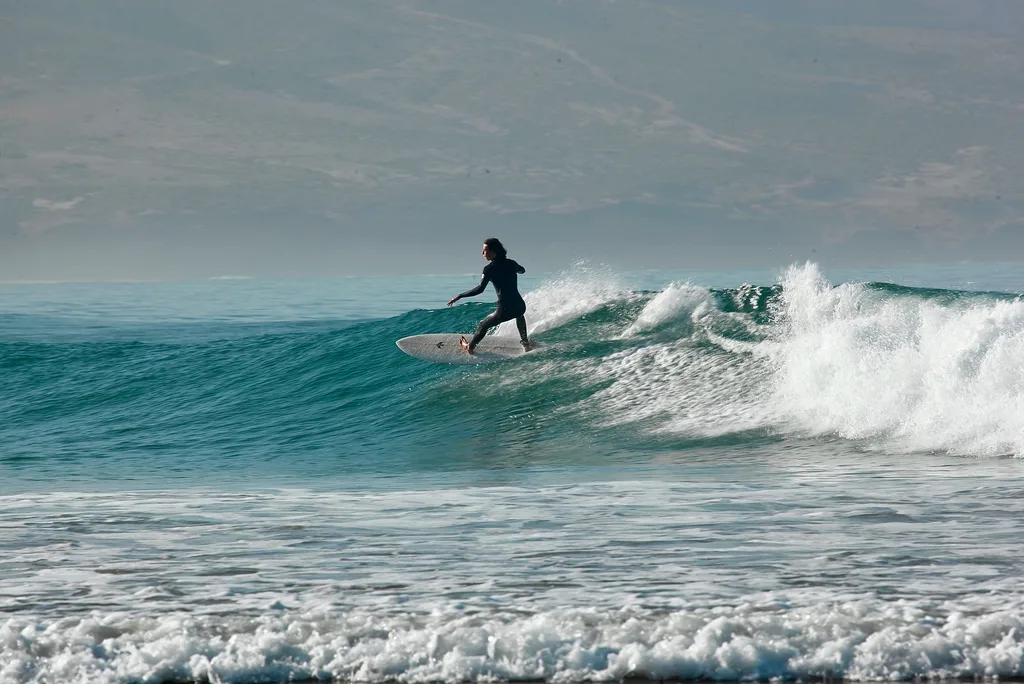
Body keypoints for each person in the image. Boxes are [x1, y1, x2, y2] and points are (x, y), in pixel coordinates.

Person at [447, 238, 532, 354]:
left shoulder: (489, 269)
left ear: (493, 251)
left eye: (485, 250)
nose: (482, 253)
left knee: (483, 325)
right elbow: (522, 270)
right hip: (520, 305)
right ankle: (525, 343)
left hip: (504, 309)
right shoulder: (511, 263)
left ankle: (470, 347)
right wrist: (516, 269)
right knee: (519, 315)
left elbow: (480, 289)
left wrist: (460, 295)